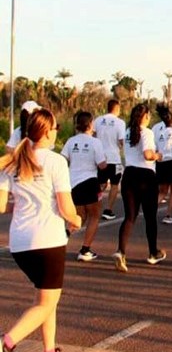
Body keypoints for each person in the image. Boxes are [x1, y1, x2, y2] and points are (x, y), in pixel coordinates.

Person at [0, 109, 82, 352]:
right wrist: (76, 220)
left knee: (46, 299)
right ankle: (6, 343)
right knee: (47, 302)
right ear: (46, 131)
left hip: (19, 243)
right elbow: (66, 207)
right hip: (48, 241)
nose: (57, 132)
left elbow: (1, 205)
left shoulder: (13, 162)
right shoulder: (56, 161)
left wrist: (24, 201)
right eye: (56, 128)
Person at [113, 103, 166, 273]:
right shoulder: (147, 132)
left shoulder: (128, 132)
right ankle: (153, 252)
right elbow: (147, 154)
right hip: (146, 177)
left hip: (129, 175)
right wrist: (158, 156)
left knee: (130, 217)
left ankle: (121, 251)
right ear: (145, 117)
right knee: (150, 217)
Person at [60, 111, 107, 261]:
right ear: (90, 124)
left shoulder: (71, 141)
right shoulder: (95, 142)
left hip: (73, 183)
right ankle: (85, 250)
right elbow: (102, 165)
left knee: (79, 216)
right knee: (94, 216)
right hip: (90, 182)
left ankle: (64, 236)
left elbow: (62, 160)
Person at [93, 99, 125, 220]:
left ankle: (94, 206)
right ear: (117, 109)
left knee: (101, 184)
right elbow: (122, 140)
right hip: (114, 158)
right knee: (114, 184)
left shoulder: (98, 120)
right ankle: (108, 210)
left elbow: (93, 135)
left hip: (100, 157)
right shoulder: (120, 122)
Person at [154, 109, 172, 224]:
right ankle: (168, 215)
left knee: (162, 192)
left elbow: (156, 149)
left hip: (161, 163)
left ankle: (150, 210)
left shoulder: (158, 134)